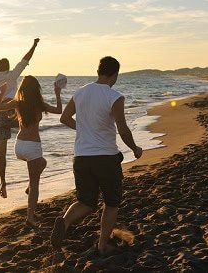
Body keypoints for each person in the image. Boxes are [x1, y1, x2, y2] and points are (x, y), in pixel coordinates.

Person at [50, 56, 143, 256]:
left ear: (99, 71)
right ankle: (102, 245)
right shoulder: (114, 96)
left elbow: (64, 118)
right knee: (111, 203)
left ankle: (64, 222)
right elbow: (123, 129)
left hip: (81, 157)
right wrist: (135, 148)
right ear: (115, 74)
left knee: (86, 202)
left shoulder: (80, 92)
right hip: (106, 158)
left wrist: (84, 130)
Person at [0, 75, 62, 227]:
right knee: (35, 184)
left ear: (22, 89)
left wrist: (2, 92)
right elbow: (59, 110)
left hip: (19, 146)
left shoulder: (17, 103)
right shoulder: (40, 104)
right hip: (32, 146)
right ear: (36, 89)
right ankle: (30, 218)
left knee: (43, 163)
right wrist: (57, 92)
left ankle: (28, 189)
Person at [0, 38, 40, 198]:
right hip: (14, 112)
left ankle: (3, 182)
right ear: (8, 67)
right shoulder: (13, 75)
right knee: (29, 139)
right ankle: (31, 180)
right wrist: (34, 45)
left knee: (2, 152)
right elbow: (25, 60)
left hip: (0, 112)